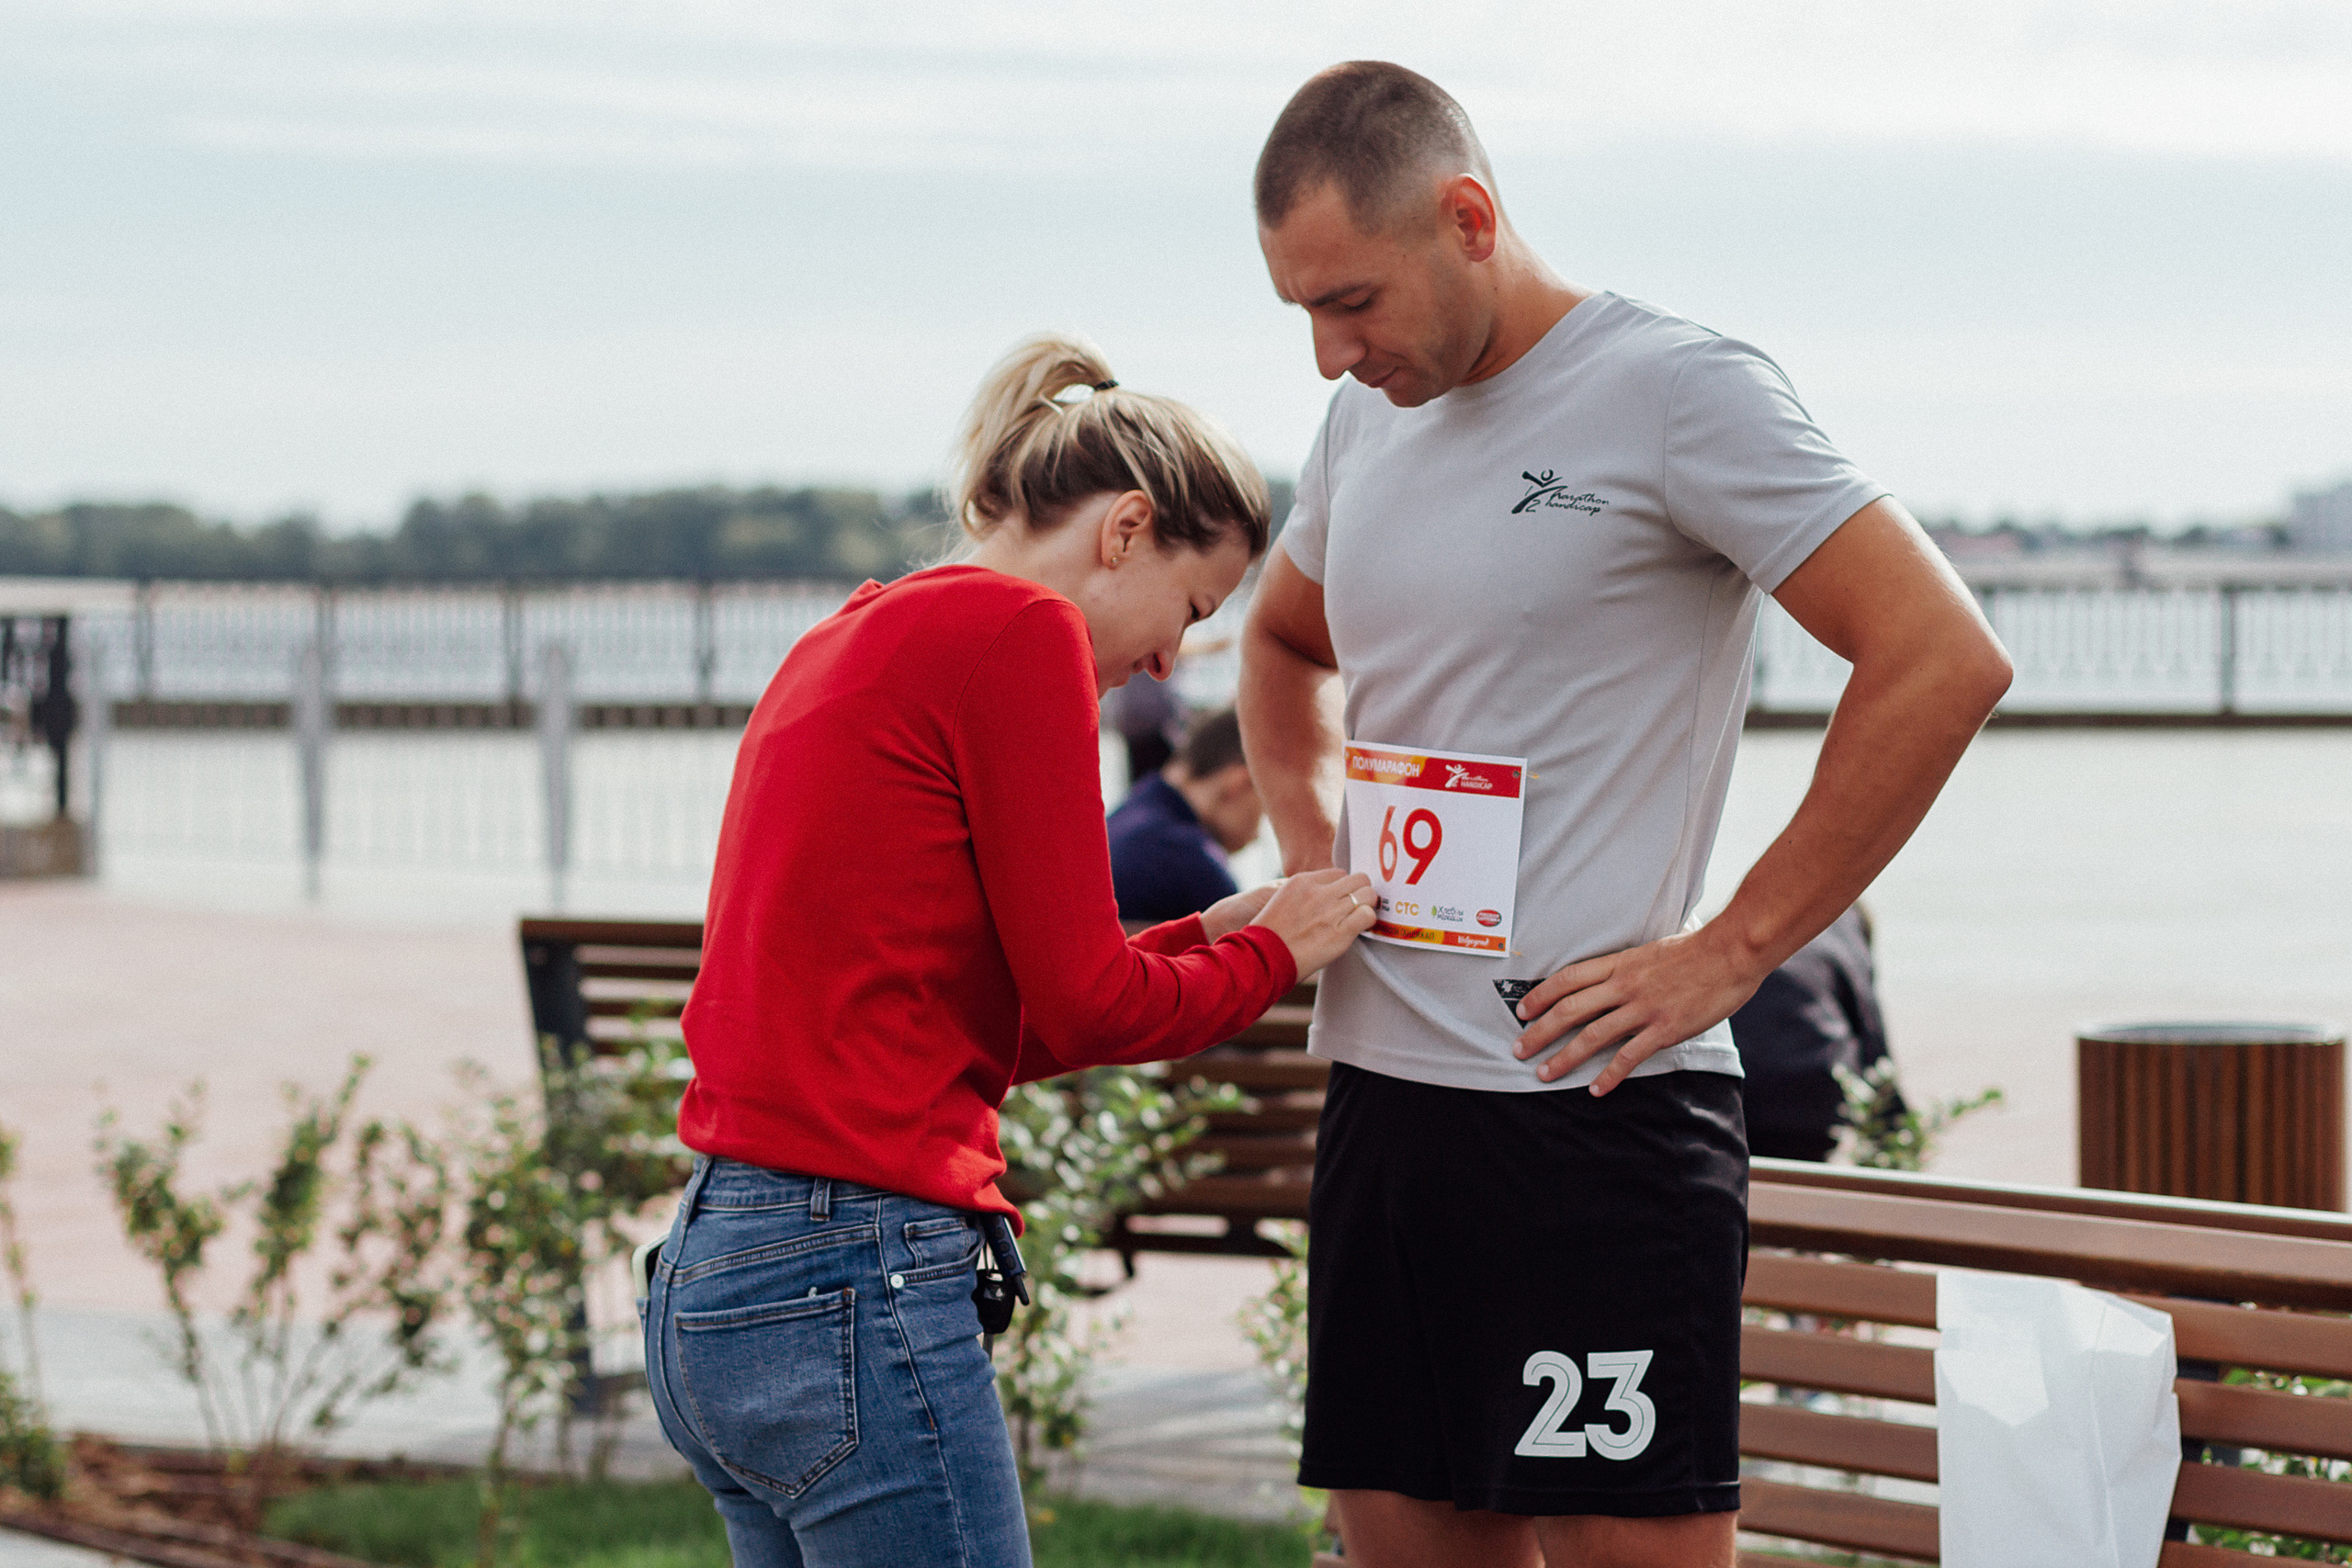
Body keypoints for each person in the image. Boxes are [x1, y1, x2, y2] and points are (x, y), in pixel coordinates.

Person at [1238, 63, 2012, 1568]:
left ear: (1468, 218)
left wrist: (1734, 950)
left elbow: (1942, 655)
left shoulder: (1674, 388)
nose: (1334, 354)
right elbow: (1278, 648)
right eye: (1303, 316)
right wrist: (1306, 858)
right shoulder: (1364, 429)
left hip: (1591, 1111)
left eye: (1353, 300)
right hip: (1386, 1109)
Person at [647, 334, 1378, 1568]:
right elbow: (1094, 1011)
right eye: (1191, 609)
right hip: (854, 1267)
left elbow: (967, 1021)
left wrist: (1204, 933)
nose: (1162, 662)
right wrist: (1276, 957)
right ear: (1127, 525)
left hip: (718, 1275)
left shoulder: (857, 629)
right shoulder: (1020, 633)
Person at [1730, 905, 1903, 1162]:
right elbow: (1873, 1042)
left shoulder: (1738, 923)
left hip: (1735, 1095)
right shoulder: (1843, 931)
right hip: (1814, 1102)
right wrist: (1896, 1136)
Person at [1107, 706, 1263, 921]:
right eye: (1264, 810)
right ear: (1238, 781)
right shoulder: (1191, 856)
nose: (1258, 835)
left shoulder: (1133, 809)